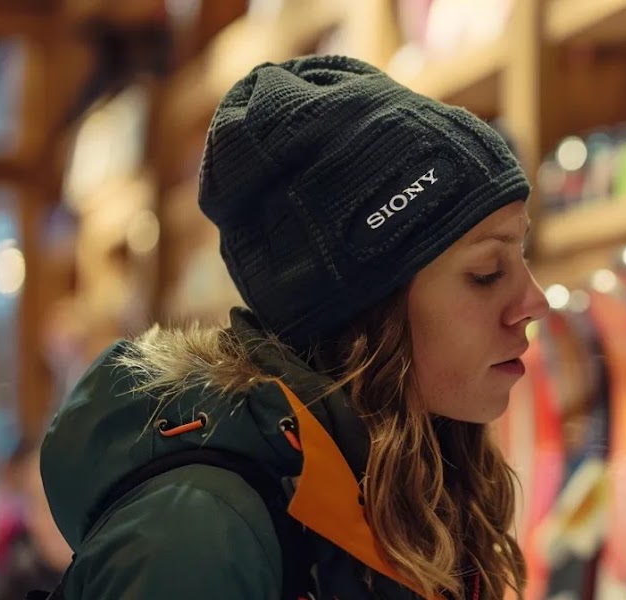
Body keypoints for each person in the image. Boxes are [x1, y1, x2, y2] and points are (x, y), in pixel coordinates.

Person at [36, 55, 548, 600]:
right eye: (486, 273)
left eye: (522, 255)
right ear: (364, 310)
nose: (534, 302)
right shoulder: (197, 540)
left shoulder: (410, 485)